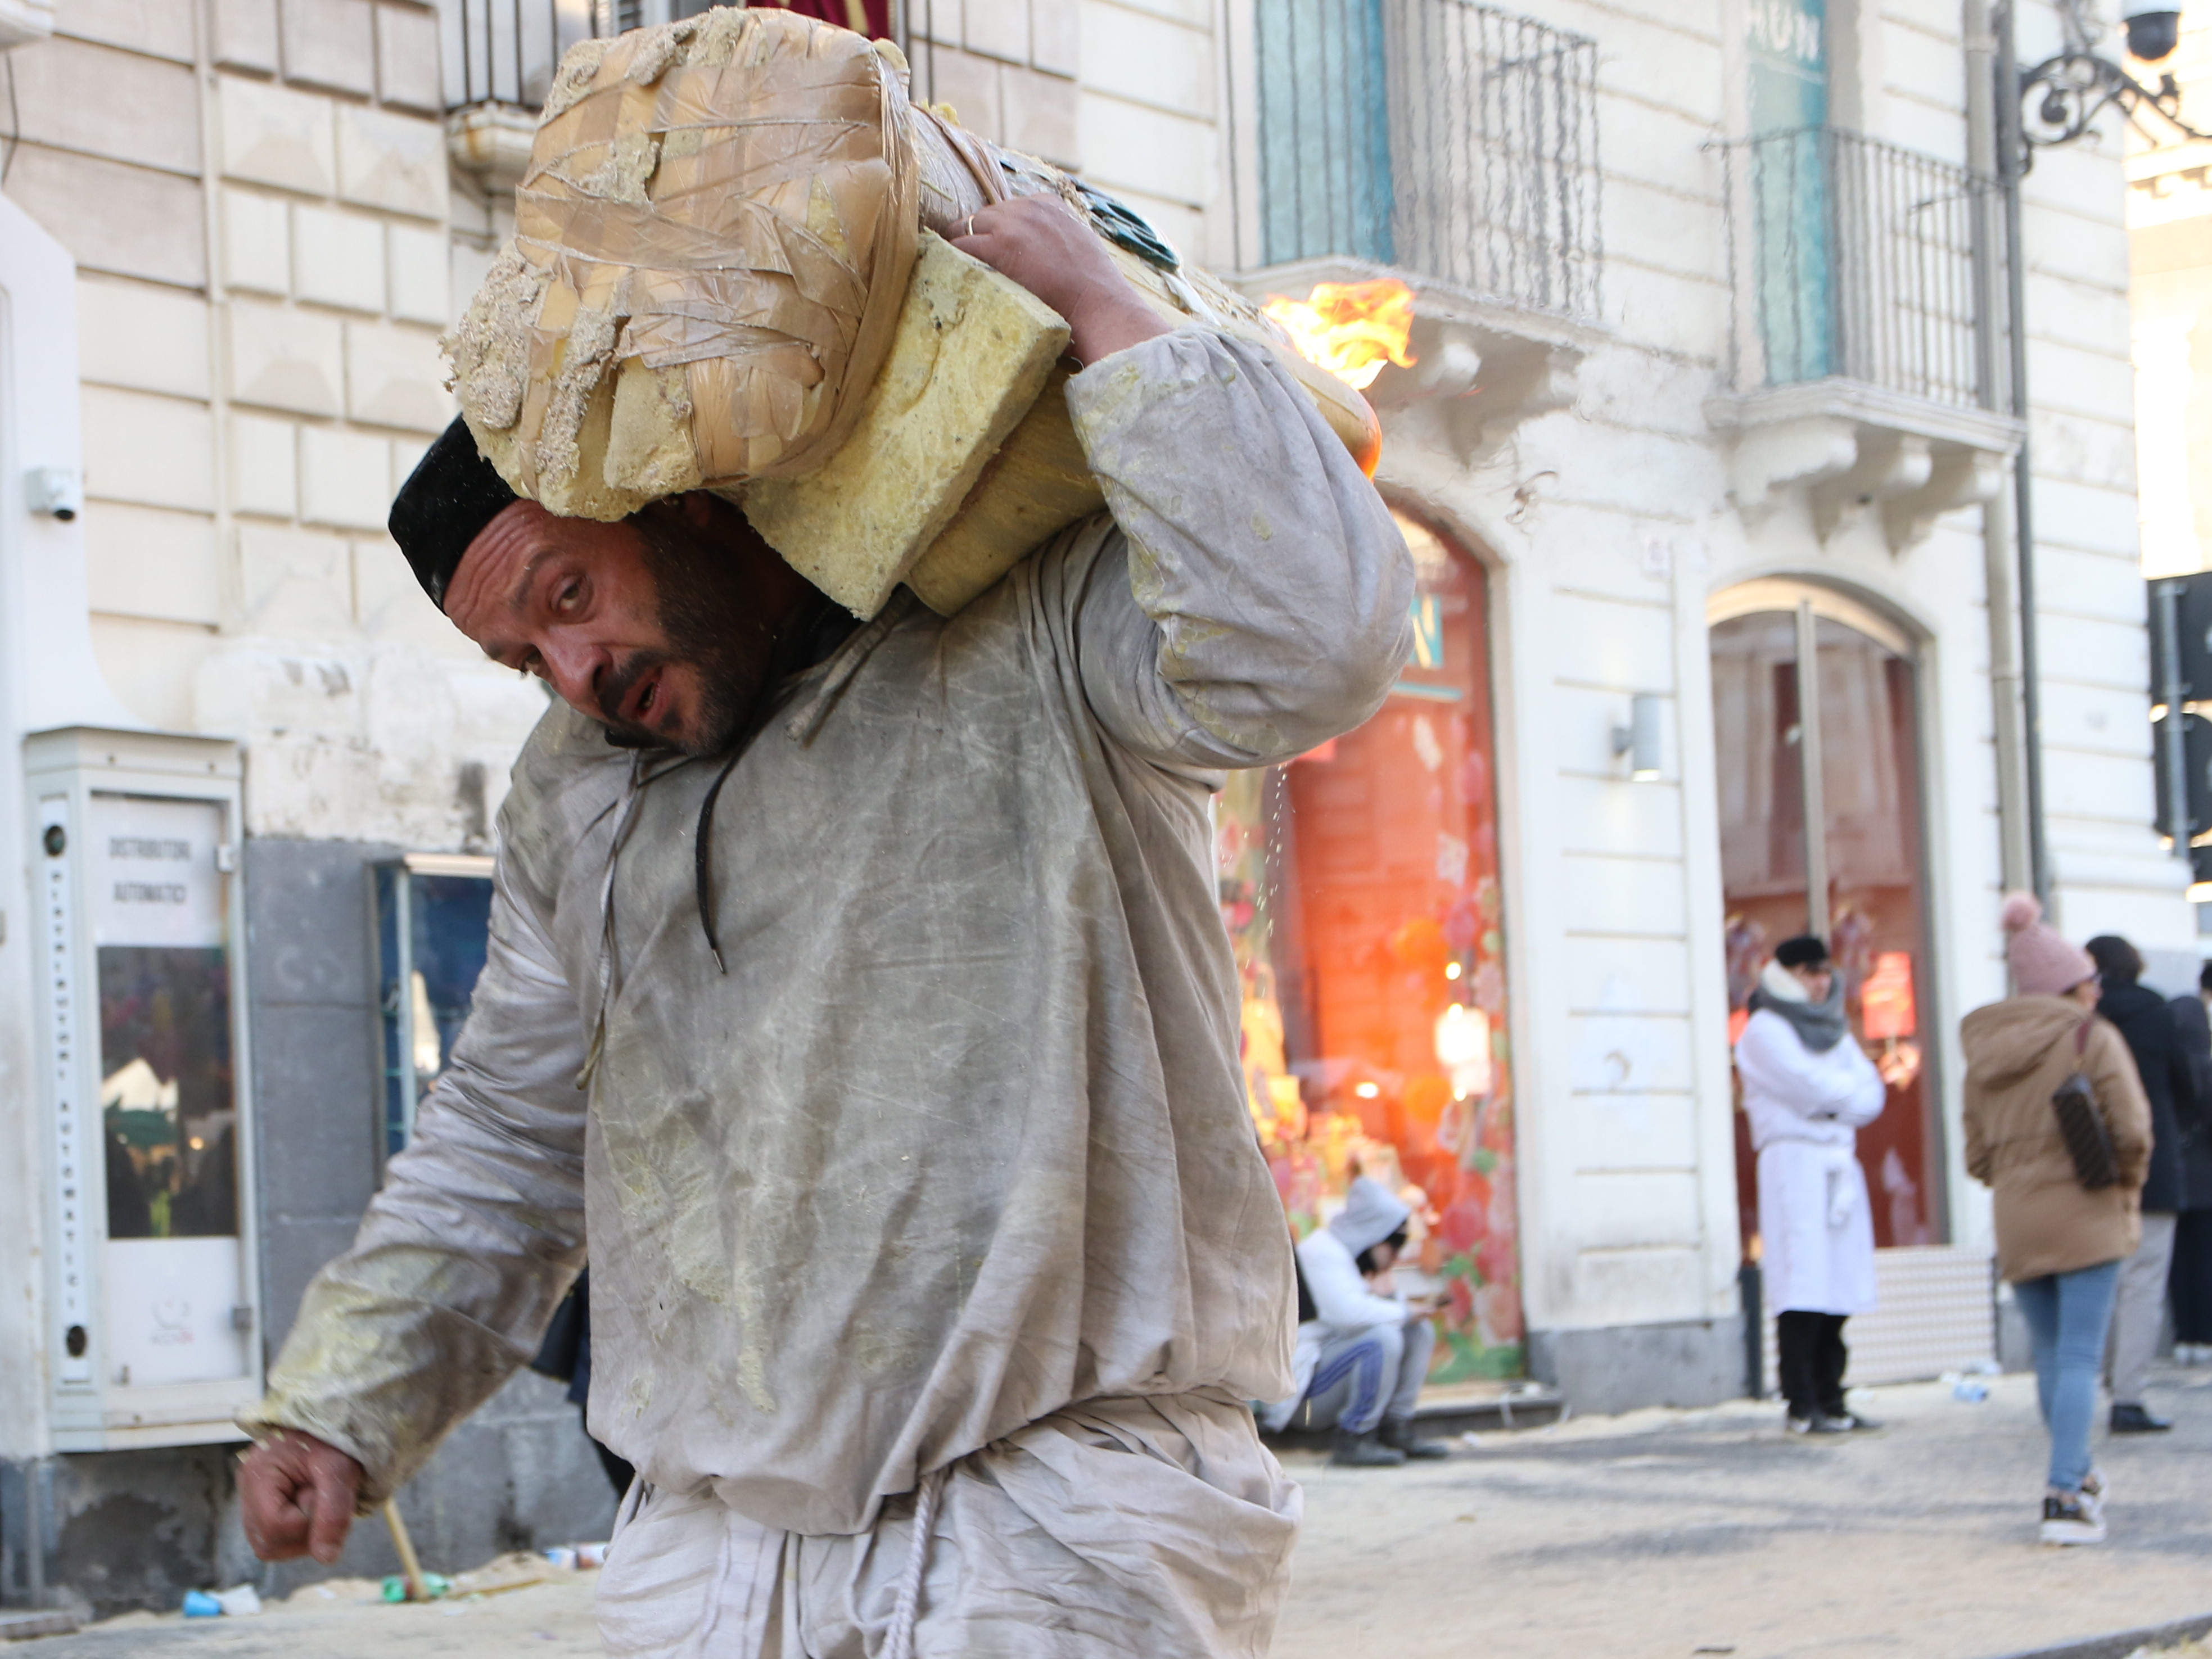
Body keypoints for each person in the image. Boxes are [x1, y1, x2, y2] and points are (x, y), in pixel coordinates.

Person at [230, 191, 1414, 1656]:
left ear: (680, 501)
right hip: (713, 1550)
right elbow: (509, 1134)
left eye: (570, 592)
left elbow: (1315, 648)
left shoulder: (1031, 624)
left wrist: (1108, 313)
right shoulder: (579, 797)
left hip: (1046, 1514)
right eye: (523, 653)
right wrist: (345, 1403)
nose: (575, 667)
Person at [1962, 895, 2151, 1546]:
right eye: (2089, 979)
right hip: (2087, 1210)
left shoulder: (1984, 1052)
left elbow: (1975, 1154)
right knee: (2078, 1356)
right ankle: (2064, 1493)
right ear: (2070, 985)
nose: (2096, 989)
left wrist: (2016, 1180)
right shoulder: (2088, 1036)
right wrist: (2124, 1184)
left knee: (2050, 1355)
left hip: (2016, 1217)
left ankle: (2076, 1473)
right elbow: (2131, 1128)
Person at [1733, 935, 1886, 1434]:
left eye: (1825, 972)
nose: (1822, 982)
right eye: (1810, 972)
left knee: (1838, 1282)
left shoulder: (1834, 1032)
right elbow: (1805, 1086)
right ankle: (1802, 1400)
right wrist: (1838, 1105)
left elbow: (1871, 1094)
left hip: (1836, 1163)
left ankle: (1832, 1394)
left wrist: (1830, 1106)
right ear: (1789, 975)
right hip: (1793, 1163)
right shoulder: (1764, 1030)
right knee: (1802, 1280)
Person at [2084, 934, 2197, 1432]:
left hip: (2089, 1163)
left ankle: (2102, 1378)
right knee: (2144, 1280)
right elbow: (2188, 1085)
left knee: (2102, 1277)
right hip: (2154, 1161)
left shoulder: (2082, 1018)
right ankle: (2128, 1394)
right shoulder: (2158, 1010)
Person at [1261, 1177, 1452, 1467]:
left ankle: (1396, 1427)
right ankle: (1355, 1436)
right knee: (1382, 1339)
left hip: (1325, 1377)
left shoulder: (1346, 1257)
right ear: (1374, 1234)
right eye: (1394, 1245)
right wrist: (1404, 1310)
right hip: (1303, 1399)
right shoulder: (1322, 1252)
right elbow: (1347, 1313)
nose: (1396, 1256)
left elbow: (1365, 1308)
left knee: (1418, 1330)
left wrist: (1405, 1309)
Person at [2167, 962, 2212, 1365]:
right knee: (2203, 1256)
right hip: (2204, 1175)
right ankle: (2203, 1335)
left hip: (2170, 1173)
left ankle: (2185, 1336)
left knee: (2179, 1260)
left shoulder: (2167, 1063)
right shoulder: (2206, 1057)